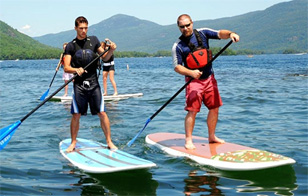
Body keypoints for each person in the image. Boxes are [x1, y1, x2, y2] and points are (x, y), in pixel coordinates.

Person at [171, 14, 240, 149]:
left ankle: (212, 136)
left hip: (209, 79)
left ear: (192, 23)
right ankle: (188, 140)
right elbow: (177, 67)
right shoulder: (177, 46)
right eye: (182, 27)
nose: (185, 28)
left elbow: (220, 34)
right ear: (178, 27)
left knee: (214, 108)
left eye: (187, 25)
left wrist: (231, 34)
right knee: (193, 110)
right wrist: (191, 73)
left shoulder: (203, 33)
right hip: (193, 82)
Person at [63, 16, 117, 152]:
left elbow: (105, 58)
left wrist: (111, 50)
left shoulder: (94, 40)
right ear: (75, 28)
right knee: (76, 114)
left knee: (102, 113)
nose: (83, 31)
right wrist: (76, 69)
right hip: (79, 85)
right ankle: (73, 142)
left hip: (94, 84)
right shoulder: (71, 46)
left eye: (86, 28)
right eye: (81, 28)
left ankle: (109, 142)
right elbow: (66, 67)